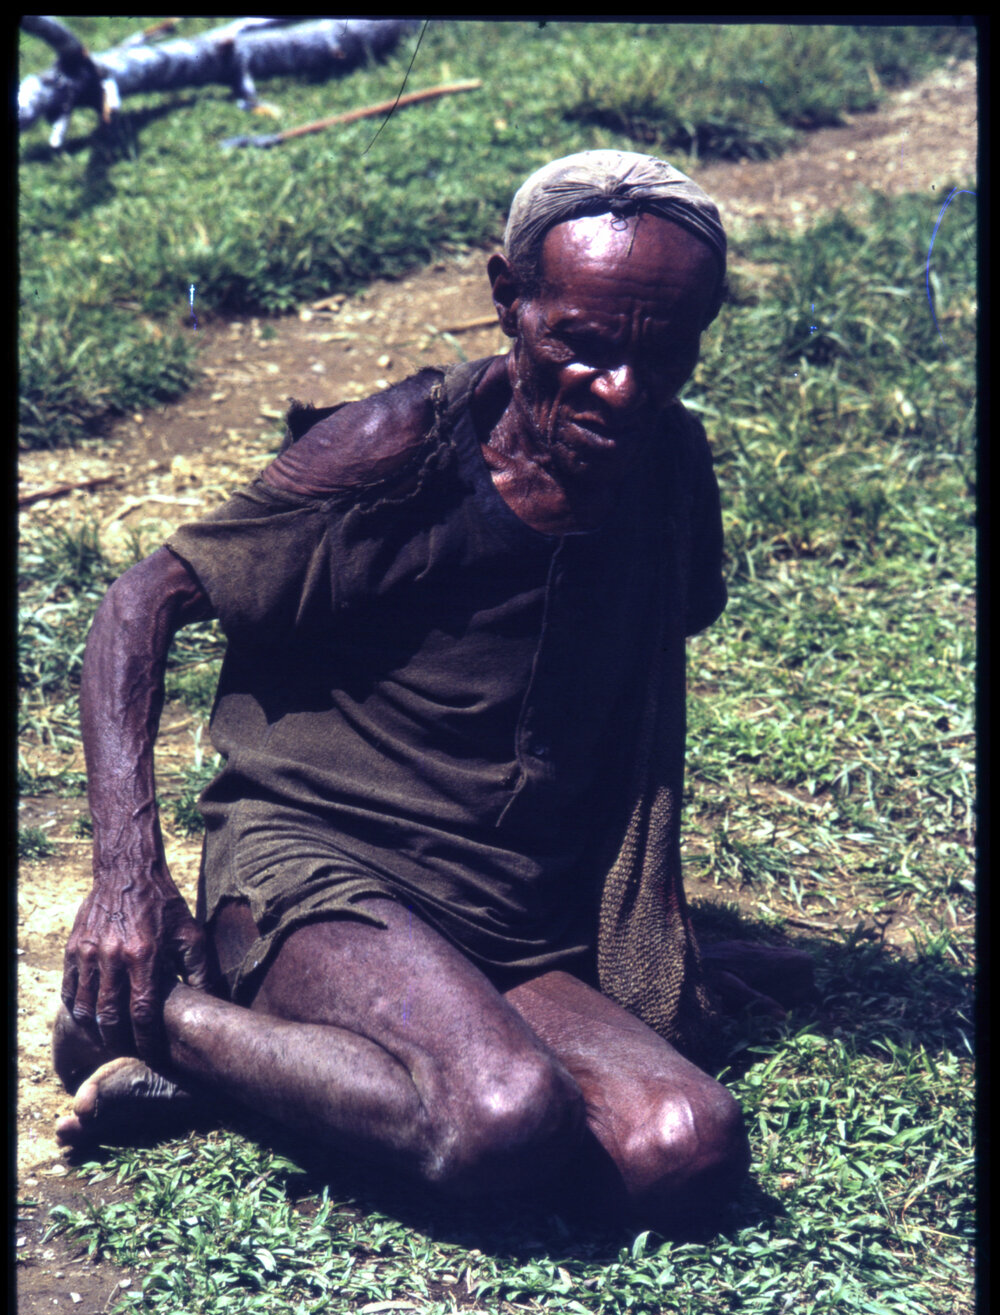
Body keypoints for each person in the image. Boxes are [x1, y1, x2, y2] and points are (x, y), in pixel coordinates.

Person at [53, 151, 777, 1228]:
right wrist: (125, 877)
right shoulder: (399, 453)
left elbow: (663, 618)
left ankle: (270, 1082)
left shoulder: (664, 464)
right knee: (500, 1115)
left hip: (507, 907)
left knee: (685, 1146)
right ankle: (153, 1019)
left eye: (661, 351)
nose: (618, 391)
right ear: (507, 299)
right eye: (578, 345)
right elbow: (135, 608)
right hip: (319, 861)